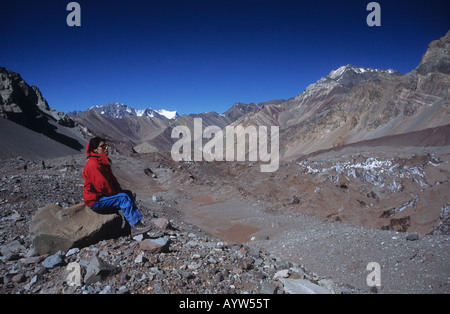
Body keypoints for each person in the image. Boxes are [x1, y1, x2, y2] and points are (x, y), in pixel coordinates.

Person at [82, 137, 151, 236]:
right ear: (95, 150)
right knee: (123, 198)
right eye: (103, 146)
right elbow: (102, 186)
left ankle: (130, 226)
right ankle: (135, 226)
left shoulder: (100, 162)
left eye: (106, 146)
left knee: (127, 194)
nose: (106, 148)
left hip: (100, 196)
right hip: (95, 200)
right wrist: (116, 193)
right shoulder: (93, 164)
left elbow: (111, 181)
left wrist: (118, 190)